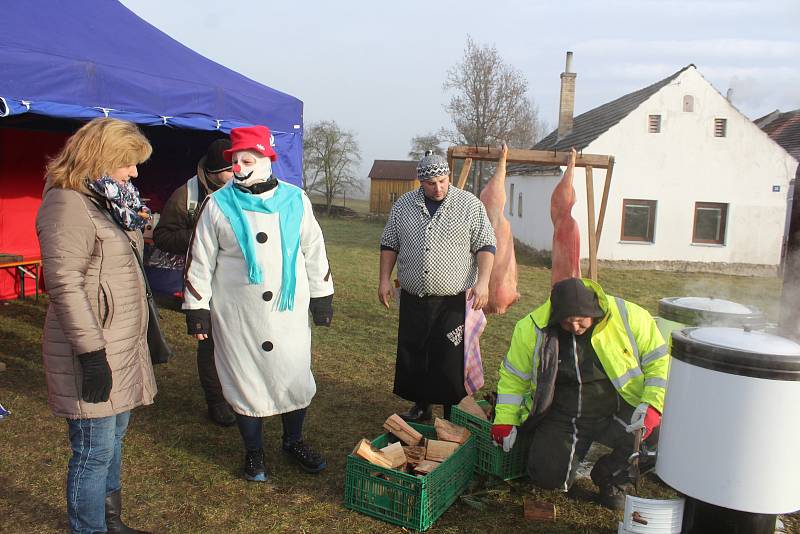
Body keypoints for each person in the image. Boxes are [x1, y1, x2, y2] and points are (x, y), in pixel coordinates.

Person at [183, 125, 334, 482]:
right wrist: (197, 308)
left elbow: (314, 249)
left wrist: (322, 295)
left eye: (247, 159)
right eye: (235, 160)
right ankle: (254, 452)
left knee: (293, 375)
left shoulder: (296, 200)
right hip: (239, 315)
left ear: (267, 160)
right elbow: (200, 260)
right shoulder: (217, 204)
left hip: (287, 312)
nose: (239, 166)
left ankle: (293, 440)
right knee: (244, 379)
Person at [36, 117, 156, 534]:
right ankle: (88, 529)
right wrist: (90, 355)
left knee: (113, 439)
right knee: (93, 450)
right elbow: (65, 286)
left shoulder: (106, 199)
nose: (134, 173)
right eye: (128, 163)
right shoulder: (67, 203)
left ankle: (111, 521)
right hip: (91, 347)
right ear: (101, 158)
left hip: (120, 343)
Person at [491, 277, 669, 510]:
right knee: (546, 479)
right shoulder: (531, 328)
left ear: (594, 312)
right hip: (566, 416)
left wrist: (653, 406)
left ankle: (612, 475)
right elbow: (514, 378)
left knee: (661, 438)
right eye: (567, 321)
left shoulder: (629, 316)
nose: (574, 327)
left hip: (621, 409)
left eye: (580, 320)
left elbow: (659, 362)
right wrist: (504, 420)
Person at [378, 150, 496, 422]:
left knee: (448, 357)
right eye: (431, 183)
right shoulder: (404, 206)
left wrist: (484, 283)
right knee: (415, 352)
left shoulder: (469, 205)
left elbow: (486, 245)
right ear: (421, 182)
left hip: (453, 299)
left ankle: (451, 410)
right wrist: (384, 279)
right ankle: (421, 406)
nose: (438, 187)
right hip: (413, 296)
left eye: (442, 181)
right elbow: (389, 243)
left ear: (449, 177)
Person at [153, 139, 236, 426]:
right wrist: (203, 236)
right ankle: (216, 401)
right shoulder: (185, 195)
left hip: (237, 283)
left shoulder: (243, 189)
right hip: (205, 283)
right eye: (230, 168)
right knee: (210, 343)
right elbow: (163, 236)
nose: (238, 171)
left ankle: (238, 395)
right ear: (213, 172)